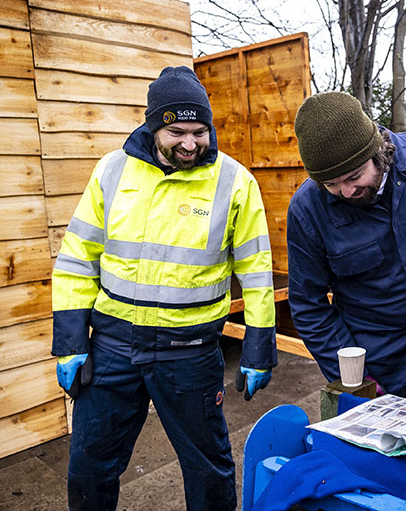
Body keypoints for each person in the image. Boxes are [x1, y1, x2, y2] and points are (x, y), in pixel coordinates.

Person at [51, 66, 277, 510]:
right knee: (89, 469)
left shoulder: (234, 182)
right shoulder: (113, 171)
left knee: (208, 470)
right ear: (154, 125)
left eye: (200, 131)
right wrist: (71, 342)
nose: (190, 144)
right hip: (113, 349)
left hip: (189, 353)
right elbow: (78, 259)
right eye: (176, 131)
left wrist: (259, 347)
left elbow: (256, 273)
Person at [287, 91, 406, 398]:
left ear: (377, 149)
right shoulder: (307, 209)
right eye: (331, 184)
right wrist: (357, 379)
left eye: (354, 176)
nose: (346, 192)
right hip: (377, 364)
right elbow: (308, 307)